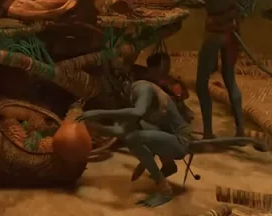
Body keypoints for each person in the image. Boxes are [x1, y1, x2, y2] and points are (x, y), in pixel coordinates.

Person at [78, 79, 192, 208]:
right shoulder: (133, 99)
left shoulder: (142, 88)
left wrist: (99, 113)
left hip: (180, 141)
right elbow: (121, 131)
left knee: (134, 138)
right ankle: (168, 165)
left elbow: (138, 112)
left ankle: (165, 191)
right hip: (167, 138)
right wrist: (91, 126)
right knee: (132, 134)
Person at [172, 0, 246, 140]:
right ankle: (240, 131)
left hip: (215, 34)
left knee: (201, 83)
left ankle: (207, 133)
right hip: (231, 31)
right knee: (230, 81)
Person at [143, 52, 194, 123]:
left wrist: (178, 94)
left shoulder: (170, 80)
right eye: (165, 64)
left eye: (168, 64)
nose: (168, 67)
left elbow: (185, 95)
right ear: (154, 68)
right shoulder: (147, 81)